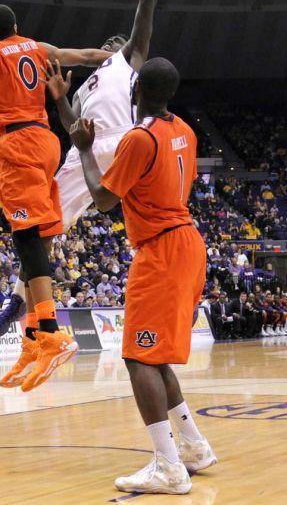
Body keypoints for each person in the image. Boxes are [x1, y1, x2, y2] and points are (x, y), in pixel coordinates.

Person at [0, 4, 109, 392]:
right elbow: (84, 56)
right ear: (16, 26)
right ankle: (32, 339)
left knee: (26, 238)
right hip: (48, 142)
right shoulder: (37, 46)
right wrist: (120, 57)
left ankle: (50, 331)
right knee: (36, 239)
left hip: (17, 144)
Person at [69, 57, 216, 495]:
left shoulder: (140, 137)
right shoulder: (186, 131)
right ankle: (194, 446)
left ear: (135, 92)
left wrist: (82, 149)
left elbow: (102, 200)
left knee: (137, 357)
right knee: (155, 358)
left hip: (162, 249)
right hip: (189, 241)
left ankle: (169, 468)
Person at [48, 0, 179, 232]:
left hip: (126, 138)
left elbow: (146, 3)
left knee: (155, 221)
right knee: (47, 218)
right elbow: (72, 126)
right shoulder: (84, 87)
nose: (109, 44)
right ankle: (24, 283)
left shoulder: (129, 59)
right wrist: (60, 98)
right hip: (88, 147)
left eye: (116, 41)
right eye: (106, 42)